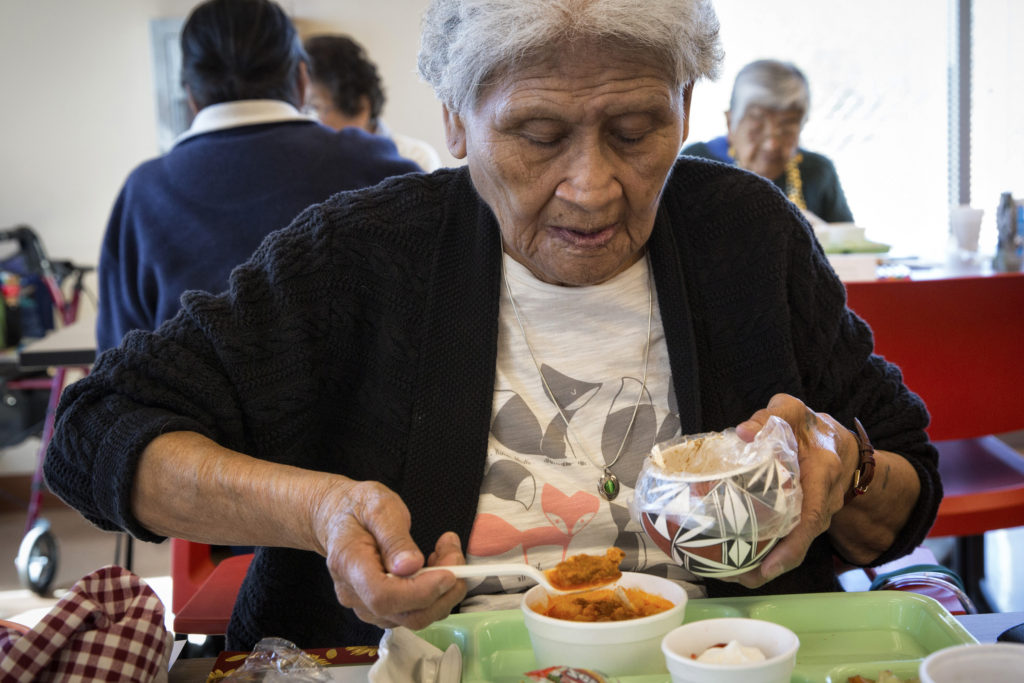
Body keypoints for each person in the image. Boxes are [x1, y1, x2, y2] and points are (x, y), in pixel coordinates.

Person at [45, 0, 939, 651]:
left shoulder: (748, 234)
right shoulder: (362, 253)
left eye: (635, 129)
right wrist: (322, 510)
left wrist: (846, 469)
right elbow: (94, 430)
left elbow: (902, 486)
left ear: (688, 110)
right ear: (456, 123)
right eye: (538, 135)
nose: (592, 186)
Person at [94, 0, 421, 352]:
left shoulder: (144, 194)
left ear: (190, 96)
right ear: (301, 79)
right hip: (362, 407)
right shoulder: (375, 165)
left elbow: (117, 367)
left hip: (187, 407)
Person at [682, 59, 854, 224]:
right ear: (731, 122)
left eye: (786, 130)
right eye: (757, 129)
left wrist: (821, 234)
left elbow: (852, 248)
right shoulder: (695, 162)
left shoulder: (818, 171)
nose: (771, 144)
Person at [303, 34, 444, 172]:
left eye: (314, 108)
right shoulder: (309, 161)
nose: (307, 121)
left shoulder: (415, 160)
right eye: (301, 110)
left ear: (360, 107)